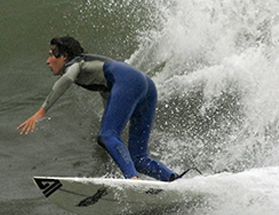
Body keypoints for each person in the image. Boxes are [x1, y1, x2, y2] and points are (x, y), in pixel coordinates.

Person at [19, 36, 179, 181]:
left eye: (51, 55)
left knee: (107, 135)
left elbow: (67, 78)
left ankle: (133, 179)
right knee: (138, 158)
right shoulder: (97, 74)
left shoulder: (75, 64)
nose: (48, 61)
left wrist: (41, 112)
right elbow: (109, 97)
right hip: (146, 86)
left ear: (64, 57)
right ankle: (172, 178)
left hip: (128, 81)